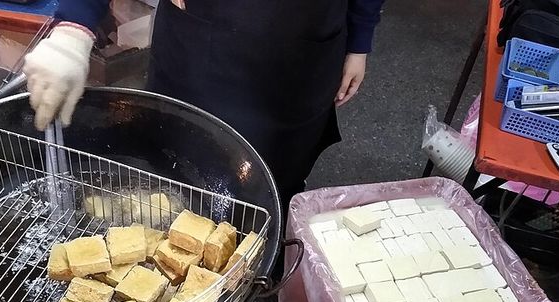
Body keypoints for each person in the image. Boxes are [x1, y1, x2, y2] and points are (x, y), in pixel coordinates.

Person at [24, 0, 385, 208]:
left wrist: (360, 38)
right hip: (200, 37)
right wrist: (74, 28)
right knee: (179, 169)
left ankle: (270, 267)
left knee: (279, 178)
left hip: (303, 50)